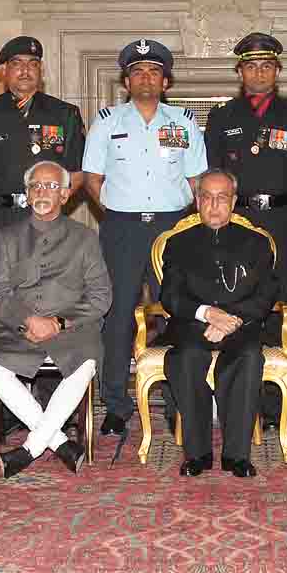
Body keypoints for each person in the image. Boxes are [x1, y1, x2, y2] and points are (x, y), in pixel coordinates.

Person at [83, 39, 207, 438]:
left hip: (172, 228)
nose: (146, 78)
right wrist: (116, 210)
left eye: (154, 71)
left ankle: (177, 402)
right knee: (117, 316)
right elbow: (92, 179)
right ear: (126, 80)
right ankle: (116, 404)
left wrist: (182, 216)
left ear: (165, 81)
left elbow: (196, 180)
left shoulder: (184, 122)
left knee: (175, 312)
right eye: (138, 72)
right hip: (121, 228)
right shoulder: (107, 121)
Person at [202, 31, 287, 419]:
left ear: (277, 70)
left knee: (277, 307)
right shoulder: (222, 118)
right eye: (250, 66)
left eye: (266, 65)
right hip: (237, 222)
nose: (258, 72)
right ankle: (230, 395)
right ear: (240, 71)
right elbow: (212, 181)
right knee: (233, 302)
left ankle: (269, 405)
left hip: (284, 224)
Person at [0, 160, 109, 479]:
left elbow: (100, 297)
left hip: (72, 330)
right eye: (35, 186)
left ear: (66, 195)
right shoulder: (6, 237)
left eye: (51, 186)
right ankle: (61, 443)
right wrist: (27, 320)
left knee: (85, 363)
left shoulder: (85, 238)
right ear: (27, 193)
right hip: (20, 329)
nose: (42, 191)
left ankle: (29, 450)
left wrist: (60, 322)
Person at [155, 170, 279, 477]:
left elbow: (267, 294)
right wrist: (207, 313)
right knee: (184, 358)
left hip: (242, 325)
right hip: (193, 325)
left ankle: (237, 456)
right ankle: (196, 455)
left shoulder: (257, 242)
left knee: (249, 357)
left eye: (221, 198)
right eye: (207, 197)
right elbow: (170, 297)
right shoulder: (178, 243)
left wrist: (233, 318)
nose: (213, 205)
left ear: (234, 202)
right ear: (197, 201)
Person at [0, 35, 88, 264]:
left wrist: (53, 200)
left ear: (41, 70)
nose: (25, 70)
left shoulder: (65, 114)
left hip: (49, 221)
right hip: (2, 222)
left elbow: (78, 172)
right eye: (17, 63)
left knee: (53, 292)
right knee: (1, 293)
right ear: (4, 71)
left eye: (32, 63)